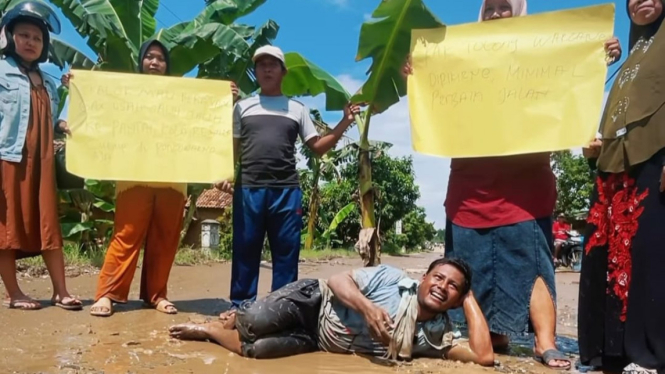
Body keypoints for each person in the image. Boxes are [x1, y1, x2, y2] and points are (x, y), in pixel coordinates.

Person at [402, 0, 622, 369]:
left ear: (519, 13)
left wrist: (598, 55)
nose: (497, 15)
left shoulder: (541, 53)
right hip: (469, 190)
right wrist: (418, 71)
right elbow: (437, 103)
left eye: (505, 8)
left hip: (526, 186)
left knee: (532, 265)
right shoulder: (459, 59)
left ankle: (546, 342)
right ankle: (494, 336)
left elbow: (572, 78)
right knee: (470, 268)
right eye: (491, 8)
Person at [60, 40, 238, 317]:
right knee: (126, 236)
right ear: (142, 62)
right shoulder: (123, 93)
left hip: (173, 182)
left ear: (167, 66)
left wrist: (226, 99)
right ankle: (107, 294)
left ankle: (157, 295)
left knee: (165, 239)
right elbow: (99, 114)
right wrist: (78, 86)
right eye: (150, 58)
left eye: (160, 59)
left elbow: (204, 124)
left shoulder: (181, 95)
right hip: (134, 179)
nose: (155, 63)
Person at [215, 45, 361, 313]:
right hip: (248, 189)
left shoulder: (297, 109)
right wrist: (223, 175)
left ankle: (282, 309)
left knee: (286, 255)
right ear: (256, 71)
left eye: (273, 64)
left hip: (286, 191)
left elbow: (317, 147)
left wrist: (344, 122)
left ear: (284, 72)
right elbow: (232, 150)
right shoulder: (241, 108)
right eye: (261, 64)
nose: (267, 68)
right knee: (245, 251)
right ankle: (240, 307)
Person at [169, 258, 495, 366]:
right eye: (438, 277)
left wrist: (468, 298)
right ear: (422, 278)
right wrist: (367, 309)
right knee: (255, 321)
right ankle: (236, 317)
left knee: (258, 350)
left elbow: (483, 357)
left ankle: (211, 330)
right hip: (317, 302)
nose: (442, 286)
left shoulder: (435, 335)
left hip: (319, 340)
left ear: (456, 300)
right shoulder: (394, 279)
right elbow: (338, 280)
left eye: (453, 286)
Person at [579, 0, 665, 373]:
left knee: (648, 258)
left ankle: (649, 356)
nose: (639, 0)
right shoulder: (630, 56)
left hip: (655, 158)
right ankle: (609, 352)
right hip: (613, 165)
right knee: (604, 255)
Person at [0, 1, 82, 311]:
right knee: (6, 227)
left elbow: (50, 120)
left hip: (43, 162)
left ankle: (60, 291)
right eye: (24, 35)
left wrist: (64, 120)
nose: (31, 42)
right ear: (10, 37)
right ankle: (14, 293)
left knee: (49, 225)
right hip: (8, 159)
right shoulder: (1, 72)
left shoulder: (48, 81)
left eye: (37, 37)